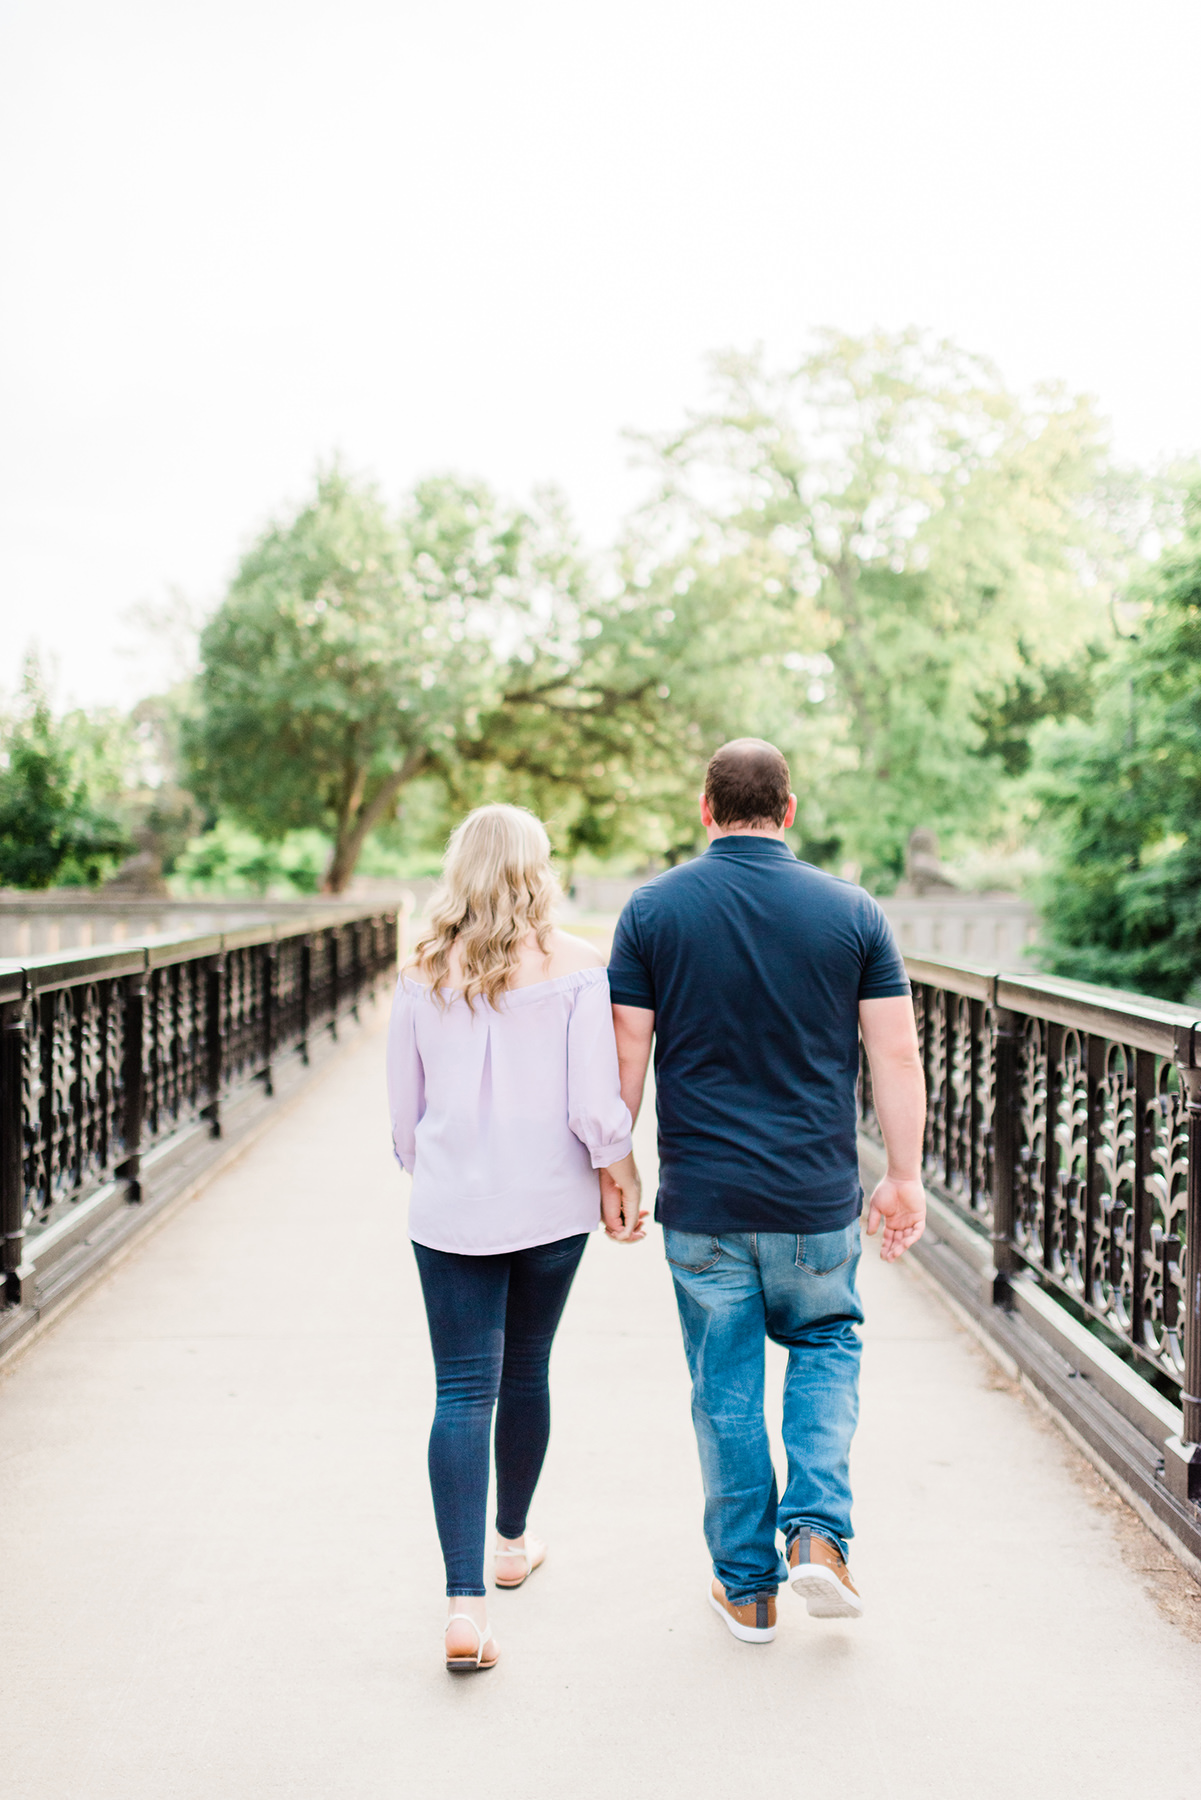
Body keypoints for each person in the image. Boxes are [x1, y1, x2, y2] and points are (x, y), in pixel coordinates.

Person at [605, 738, 926, 1643]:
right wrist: (901, 1177)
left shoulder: (652, 912)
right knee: (825, 1343)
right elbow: (894, 1052)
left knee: (725, 1389)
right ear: (790, 811)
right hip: (814, 1201)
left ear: (704, 810)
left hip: (702, 1203)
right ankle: (818, 1538)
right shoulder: (852, 913)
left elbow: (625, 1054)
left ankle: (746, 1590)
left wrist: (616, 1165)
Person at [387, 804, 644, 1674]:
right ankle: (511, 1540)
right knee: (525, 1368)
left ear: (459, 866)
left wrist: (447, 1169)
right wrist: (618, 1170)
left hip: (452, 1209)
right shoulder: (577, 967)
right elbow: (592, 1103)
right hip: (549, 1206)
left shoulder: (421, 971)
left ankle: (465, 1606)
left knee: (462, 1391)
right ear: (539, 867)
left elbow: (402, 1121)